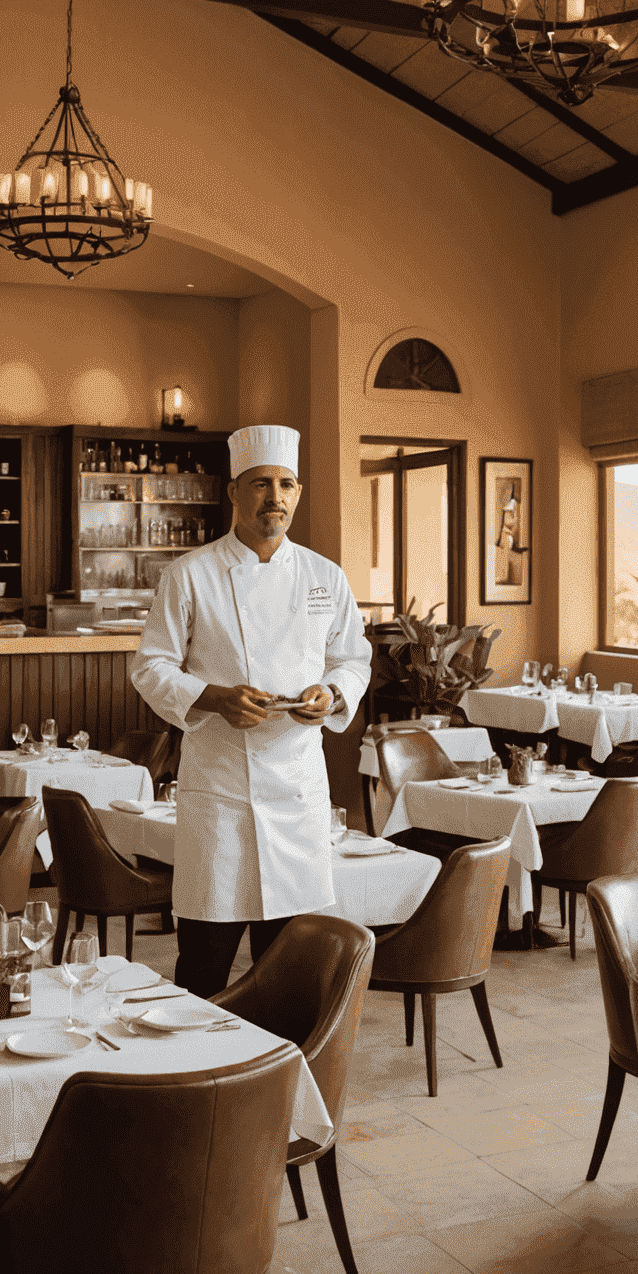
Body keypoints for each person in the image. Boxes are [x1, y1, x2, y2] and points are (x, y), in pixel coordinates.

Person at [131, 425, 371, 996]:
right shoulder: (190, 575)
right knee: (204, 966)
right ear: (233, 492)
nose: (276, 497)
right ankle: (195, 1072)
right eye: (261, 484)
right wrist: (214, 699)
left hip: (296, 793)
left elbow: (354, 659)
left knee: (293, 966)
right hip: (220, 798)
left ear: (299, 492)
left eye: (287, 484)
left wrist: (331, 694)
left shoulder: (323, 576)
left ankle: (280, 1078)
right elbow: (150, 666)